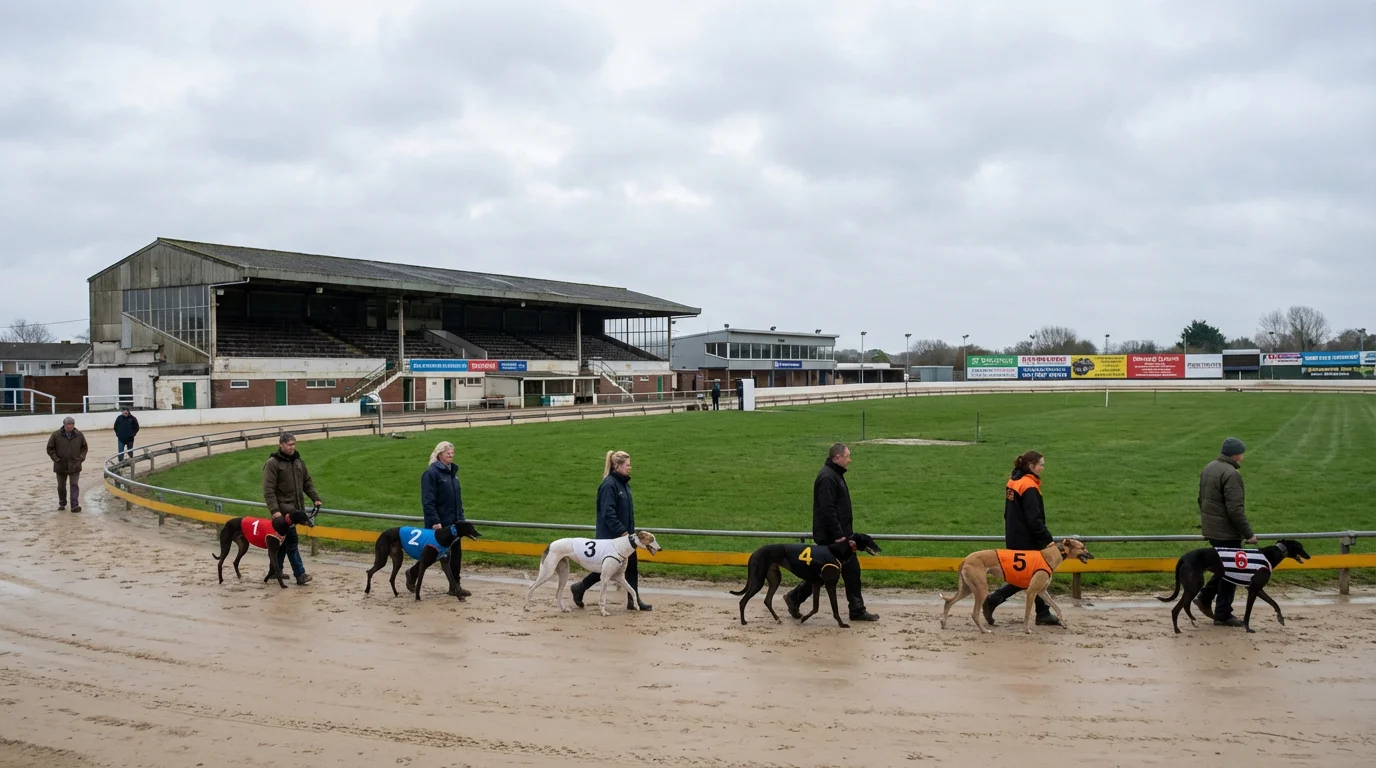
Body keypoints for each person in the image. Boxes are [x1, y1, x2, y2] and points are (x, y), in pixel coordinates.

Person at [784, 443, 879, 622]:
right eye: (847, 456)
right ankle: (856, 610)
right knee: (846, 570)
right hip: (833, 537)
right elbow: (828, 510)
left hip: (838, 533)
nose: (850, 459)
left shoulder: (834, 474)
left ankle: (795, 597)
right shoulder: (828, 477)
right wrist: (840, 536)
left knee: (828, 572)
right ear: (837, 457)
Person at [982, 450, 1059, 626]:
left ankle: (1042, 612)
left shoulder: (1014, 480)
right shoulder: (1029, 486)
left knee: (1030, 574)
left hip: (1014, 534)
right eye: (1041, 465)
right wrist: (1047, 539)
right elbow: (1034, 518)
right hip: (1027, 538)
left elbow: (1008, 512)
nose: (1042, 468)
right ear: (1031, 466)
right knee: (1034, 574)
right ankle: (994, 599)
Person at [570, 450, 652, 611]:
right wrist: (623, 531)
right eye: (627, 465)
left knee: (631, 565)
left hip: (626, 537)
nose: (630, 468)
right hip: (612, 537)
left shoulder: (623, 484)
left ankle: (633, 600)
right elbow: (608, 512)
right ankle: (580, 587)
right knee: (606, 569)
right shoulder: (609, 485)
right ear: (617, 465)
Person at [1195, 437, 1257, 627]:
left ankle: (1205, 597)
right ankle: (1222, 613)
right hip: (1226, 532)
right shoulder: (1231, 474)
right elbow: (1235, 509)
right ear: (1236, 455)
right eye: (1242, 454)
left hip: (1212, 528)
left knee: (1224, 568)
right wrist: (1248, 534)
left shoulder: (1209, 467)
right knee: (1233, 571)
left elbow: (1201, 499)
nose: (1243, 457)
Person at [261, 432, 321, 585]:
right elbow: (268, 490)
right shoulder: (273, 463)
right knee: (292, 543)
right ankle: (300, 575)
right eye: (289, 445)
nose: (293, 447)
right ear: (281, 445)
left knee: (283, 544)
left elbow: (307, 482)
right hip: (283, 513)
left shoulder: (299, 462)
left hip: (295, 511)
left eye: (294, 444)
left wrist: (315, 498)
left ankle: (275, 571)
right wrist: (275, 511)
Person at [413, 440, 469, 598]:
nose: (451, 454)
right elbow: (428, 501)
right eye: (447, 452)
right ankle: (412, 574)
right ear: (439, 455)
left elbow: (457, 499)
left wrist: (461, 520)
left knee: (455, 554)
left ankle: (455, 586)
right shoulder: (431, 474)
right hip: (440, 524)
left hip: (455, 522)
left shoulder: (452, 474)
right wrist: (434, 521)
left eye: (452, 452)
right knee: (432, 555)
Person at [46, 416, 88, 512]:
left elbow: (84, 448)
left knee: (74, 485)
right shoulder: (56, 435)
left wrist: (81, 458)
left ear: (74, 425)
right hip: (60, 465)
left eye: (71, 424)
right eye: (67, 424)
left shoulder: (79, 435)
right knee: (61, 486)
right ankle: (62, 503)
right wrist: (56, 459)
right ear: (64, 425)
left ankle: (74, 505)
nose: (69, 426)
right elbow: (50, 448)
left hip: (75, 465)